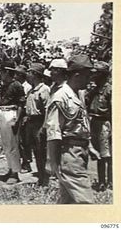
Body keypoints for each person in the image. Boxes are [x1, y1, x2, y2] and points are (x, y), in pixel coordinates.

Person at [45, 54, 100, 203]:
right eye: (87, 76)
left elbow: (80, 124)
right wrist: (54, 164)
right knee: (86, 202)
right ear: (77, 75)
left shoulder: (77, 95)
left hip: (79, 152)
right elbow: (53, 133)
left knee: (68, 203)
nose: (90, 80)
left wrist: (89, 145)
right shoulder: (60, 97)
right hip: (69, 154)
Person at [0, 66, 25, 184]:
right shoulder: (4, 85)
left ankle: (15, 173)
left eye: (2, 72)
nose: (0, 75)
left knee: (13, 145)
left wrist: (17, 120)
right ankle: (10, 168)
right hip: (3, 113)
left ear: (7, 72)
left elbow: (21, 104)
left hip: (11, 114)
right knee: (6, 144)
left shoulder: (17, 85)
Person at [86, 61, 112, 191]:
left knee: (108, 155)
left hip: (105, 123)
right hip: (94, 122)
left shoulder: (109, 90)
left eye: (96, 74)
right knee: (99, 155)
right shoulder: (94, 90)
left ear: (103, 74)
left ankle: (111, 181)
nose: (93, 76)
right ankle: (102, 181)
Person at [25, 63, 50, 186]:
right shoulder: (31, 90)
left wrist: (44, 127)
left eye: (29, 72)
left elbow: (47, 110)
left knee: (42, 152)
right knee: (36, 152)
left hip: (39, 122)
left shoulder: (44, 89)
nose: (27, 75)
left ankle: (44, 179)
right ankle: (40, 178)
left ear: (35, 74)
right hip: (31, 122)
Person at [13, 65, 32, 172]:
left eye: (16, 74)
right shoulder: (17, 85)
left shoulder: (27, 87)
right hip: (18, 114)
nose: (14, 76)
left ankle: (26, 163)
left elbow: (27, 103)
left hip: (24, 115)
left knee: (24, 141)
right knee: (18, 140)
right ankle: (22, 161)